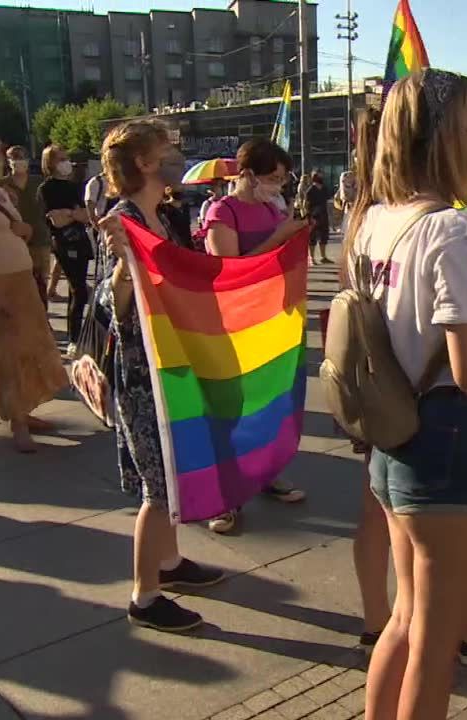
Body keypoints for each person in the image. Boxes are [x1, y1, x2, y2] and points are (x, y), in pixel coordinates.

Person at [353, 68, 467, 720]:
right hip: (450, 445)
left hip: (394, 437)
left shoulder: (377, 220)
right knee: (434, 644)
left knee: (405, 620)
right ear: (447, 136)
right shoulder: (455, 230)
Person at [95, 119, 226, 633]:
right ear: (146, 163)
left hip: (171, 361)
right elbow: (113, 305)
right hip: (140, 371)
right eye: (168, 150)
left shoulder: (165, 215)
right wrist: (126, 267)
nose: (177, 156)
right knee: (158, 488)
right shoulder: (123, 220)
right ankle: (144, 596)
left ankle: (170, 566)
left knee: (173, 474)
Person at [200, 138, 308, 533]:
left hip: (269, 318)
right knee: (229, 410)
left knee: (267, 404)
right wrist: (281, 239)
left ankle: (264, 473)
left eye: (282, 178)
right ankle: (220, 496)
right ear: (245, 174)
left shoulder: (269, 207)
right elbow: (227, 270)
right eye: (271, 177)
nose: (277, 185)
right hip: (231, 323)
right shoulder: (221, 212)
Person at [0, 135, 68, 453]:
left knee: (30, 348)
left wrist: (25, 231)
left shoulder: (0, 193)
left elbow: (23, 229)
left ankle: (26, 411)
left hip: (21, 279)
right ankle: (17, 423)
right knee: (9, 354)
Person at [38, 145, 93, 358]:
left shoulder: (73, 186)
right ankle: (74, 338)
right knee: (78, 289)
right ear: (50, 163)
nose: (66, 162)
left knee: (77, 291)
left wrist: (70, 213)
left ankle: (78, 334)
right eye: (60, 159)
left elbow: (85, 215)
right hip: (64, 243)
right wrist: (73, 214)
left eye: (66, 157)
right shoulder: (47, 188)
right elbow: (57, 221)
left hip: (80, 241)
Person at [1, 145, 51, 302]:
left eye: (22, 157)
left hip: (41, 237)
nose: (19, 162)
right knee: (22, 282)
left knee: (41, 281)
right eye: (14, 158)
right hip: (15, 239)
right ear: (8, 162)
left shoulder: (39, 182)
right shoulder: (2, 185)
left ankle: (42, 318)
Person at [304, 171, 332, 264]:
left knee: (324, 236)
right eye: (319, 175)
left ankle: (323, 256)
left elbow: (327, 200)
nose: (321, 177)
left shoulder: (324, 188)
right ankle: (311, 258)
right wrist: (309, 216)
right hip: (314, 216)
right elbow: (307, 205)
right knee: (312, 237)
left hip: (323, 214)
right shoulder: (310, 190)